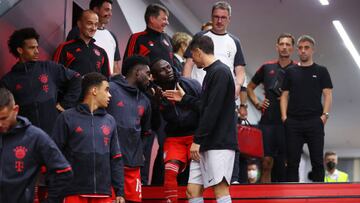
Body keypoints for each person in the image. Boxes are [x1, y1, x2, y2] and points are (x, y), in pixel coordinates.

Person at [164, 35, 238, 203]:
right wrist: (183, 98)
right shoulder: (212, 73)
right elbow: (205, 106)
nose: (191, 61)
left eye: (191, 56)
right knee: (192, 191)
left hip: (219, 143)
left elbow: (212, 110)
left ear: (197, 52)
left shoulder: (220, 72)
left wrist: (197, 140)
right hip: (206, 142)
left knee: (220, 189)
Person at [51, 72, 125, 203]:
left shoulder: (110, 121)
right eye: (107, 90)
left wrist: (120, 191)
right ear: (94, 91)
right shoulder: (66, 117)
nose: (110, 95)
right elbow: (54, 155)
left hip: (103, 193)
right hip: (73, 192)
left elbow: (116, 158)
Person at [1, 27, 81, 135]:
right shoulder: (8, 80)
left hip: (54, 135)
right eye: (31, 48)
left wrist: (65, 104)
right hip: (26, 138)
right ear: (20, 50)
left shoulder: (49, 67)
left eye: (37, 47)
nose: (37, 51)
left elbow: (76, 78)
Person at [0, 87, 73, 203]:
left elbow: (63, 171)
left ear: (15, 110)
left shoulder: (34, 137)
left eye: (3, 118)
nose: (0, 123)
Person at [280, 35, 333, 182]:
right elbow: (284, 95)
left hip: (314, 121)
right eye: (300, 48)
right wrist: (284, 117)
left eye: (306, 48)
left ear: (312, 50)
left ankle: (319, 196)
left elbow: (328, 94)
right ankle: (291, 197)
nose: (303, 51)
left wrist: (325, 115)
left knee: (317, 162)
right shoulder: (291, 71)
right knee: (292, 163)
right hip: (293, 122)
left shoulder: (321, 71)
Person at [247, 33, 296, 183]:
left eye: (288, 44)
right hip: (267, 121)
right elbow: (249, 87)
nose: (284, 47)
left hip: (288, 123)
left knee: (285, 164)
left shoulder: (298, 69)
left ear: (292, 48)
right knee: (266, 162)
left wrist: (289, 99)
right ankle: (264, 197)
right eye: (282, 44)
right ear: (277, 47)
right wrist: (257, 103)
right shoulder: (267, 67)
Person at [150, 58, 201, 203]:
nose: (168, 70)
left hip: (194, 135)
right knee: (170, 171)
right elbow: (155, 123)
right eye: (163, 69)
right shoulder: (155, 92)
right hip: (174, 137)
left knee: (194, 173)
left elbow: (204, 107)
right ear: (154, 76)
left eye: (169, 67)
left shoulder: (189, 84)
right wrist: (156, 102)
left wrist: (201, 136)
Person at [106, 55, 152, 202]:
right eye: (148, 73)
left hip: (133, 166)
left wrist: (140, 152)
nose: (150, 78)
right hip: (110, 163)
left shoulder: (145, 100)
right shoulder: (110, 89)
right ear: (138, 72)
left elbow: (145, 132)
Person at [67, 0, 121, 75]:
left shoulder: (112, 36)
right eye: (106, 10)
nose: (110, 14)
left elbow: (115, 66)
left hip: (105, 84)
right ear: (96, 9)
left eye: (110, 11)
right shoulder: (77, 31)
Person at [54, 10, 110, 77]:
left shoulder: (102, 52)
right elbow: (54, 75)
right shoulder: (65, 48)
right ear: (79, 24)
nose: (93, 28)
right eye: (89, 23)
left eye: (96, 24)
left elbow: (106, 81)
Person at [123, 3, 176, 70]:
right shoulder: (137, 38)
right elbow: (127, 67)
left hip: (169, 80)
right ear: (152, 19)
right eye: (164, 19)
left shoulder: (168, 39)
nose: (167, 23)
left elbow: (174, 65)